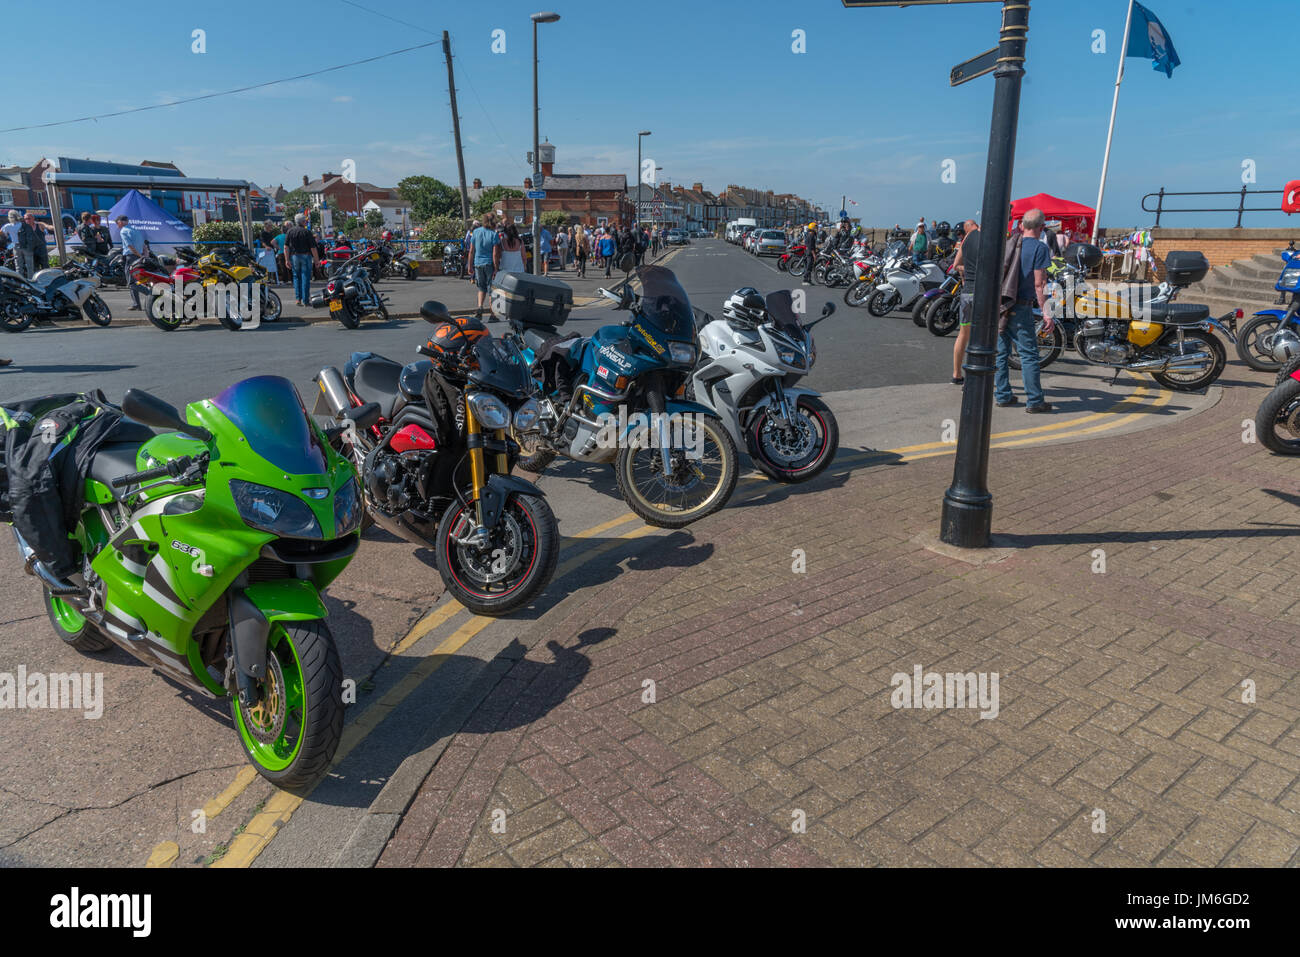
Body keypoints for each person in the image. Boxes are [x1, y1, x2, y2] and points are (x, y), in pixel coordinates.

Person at [995, 208, 1053, 413]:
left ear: (1021, 225)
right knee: (1028, 354)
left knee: (1001, 352)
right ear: (1042, 227)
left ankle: (1002, 395)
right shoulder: (1040, 248)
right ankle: (1035, 400)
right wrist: (1046, 312)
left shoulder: (1008, 244)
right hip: (1021, 307)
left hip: (1001, 304)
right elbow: (1040, 283)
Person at [949, 220, 979, 386]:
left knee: (963, 333)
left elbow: (956, 265)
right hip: (981, 293)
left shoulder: (966, 240)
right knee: (986, 335)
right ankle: (981, 374)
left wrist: (968, 271)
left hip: (967, 292)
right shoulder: (986, 236)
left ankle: (956, 374)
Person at [284, 213, 319, 307]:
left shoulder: (290, 231)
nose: (306, 222)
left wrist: (287, 259)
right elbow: (313, 247)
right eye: (305, 220)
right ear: (302, 221)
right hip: (306, 256)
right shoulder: (307, 232)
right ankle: (305, 300)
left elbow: (286, 247)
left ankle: (298, 299)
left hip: (294, 256)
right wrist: (316, 260)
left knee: (296, 277)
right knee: (305, 277)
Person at [471, 214, 501, 320]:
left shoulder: (475, 232)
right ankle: (492, 315)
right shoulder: (494, 234)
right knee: (491, 289)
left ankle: (480, 308)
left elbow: (471, 251)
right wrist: (496, 268)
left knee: (481, 288)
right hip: (489, 264)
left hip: (477, 264)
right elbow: (495, 254)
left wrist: (470, 266)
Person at [117, 214, 148, 310]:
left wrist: (139, 255)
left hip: (131, 257)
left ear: (120, 222)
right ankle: (136, 304)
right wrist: (144, 256)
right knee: (134, 281)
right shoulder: (136, 230)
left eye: (117, 224)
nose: (117, 226)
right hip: (138, 257)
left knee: (131, 283)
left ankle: (151, 294)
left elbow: (129, 246)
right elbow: (144, 246)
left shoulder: (123, 231)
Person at [3, 211, 27, 276]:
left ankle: (20, 278)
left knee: (18, 264)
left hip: (15, 245)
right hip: (25, 245)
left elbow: (2, 234)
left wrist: (7, 237)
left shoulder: (8, 226)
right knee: (28, 262)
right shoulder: (22, 224)